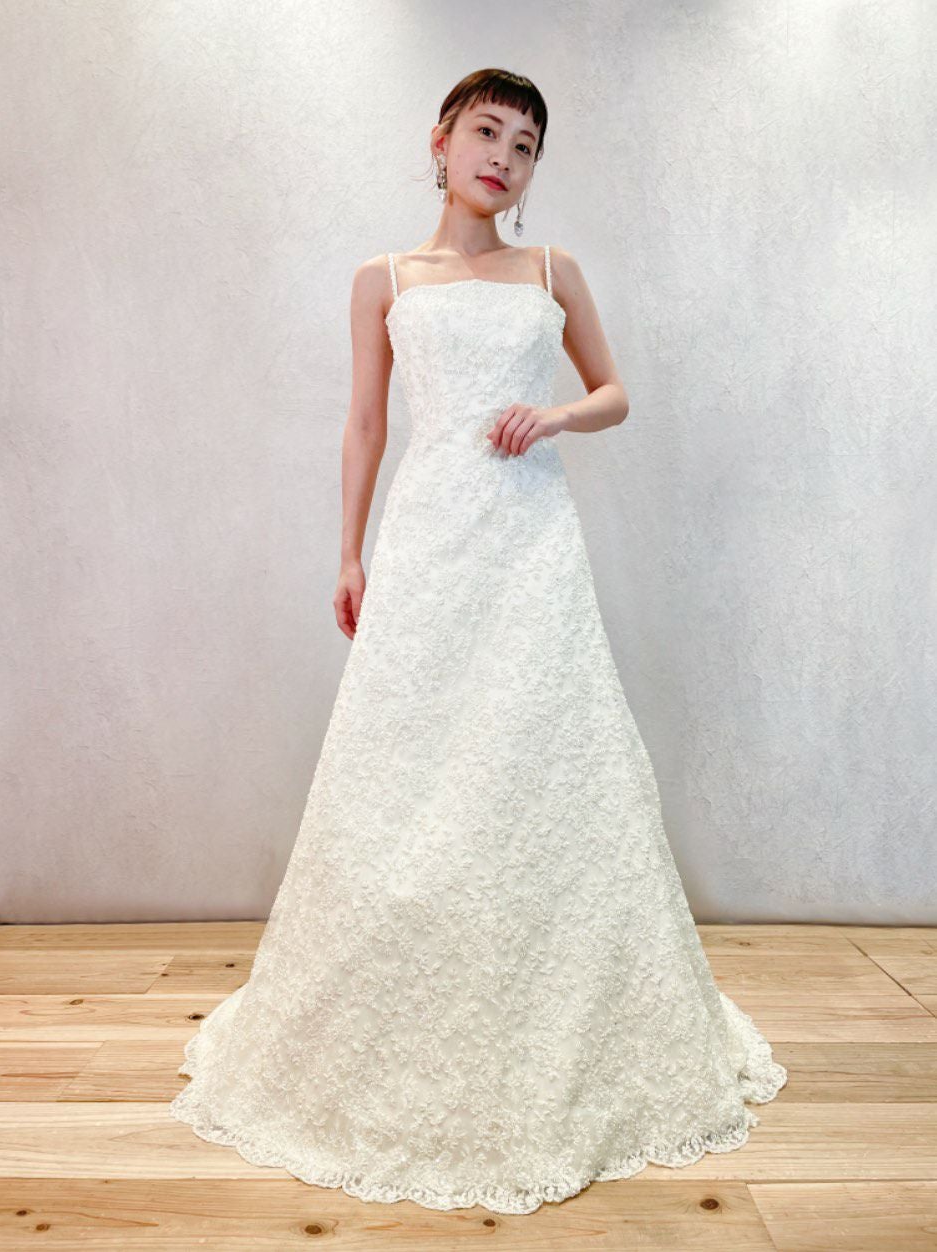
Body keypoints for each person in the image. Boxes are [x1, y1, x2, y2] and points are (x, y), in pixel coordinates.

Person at [168, 67, 787, 1216]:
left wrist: (554, 413)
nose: (504, 156)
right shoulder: (383, 278)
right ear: (441, 141)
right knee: (404, 761)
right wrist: (347, 554)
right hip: (427, 538)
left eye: (526, 144)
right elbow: (364, 421)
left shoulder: (550, 272)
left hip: (530, 539)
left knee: (542, 750)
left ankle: (565, 1006)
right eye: (486, 132)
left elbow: (614, 391)